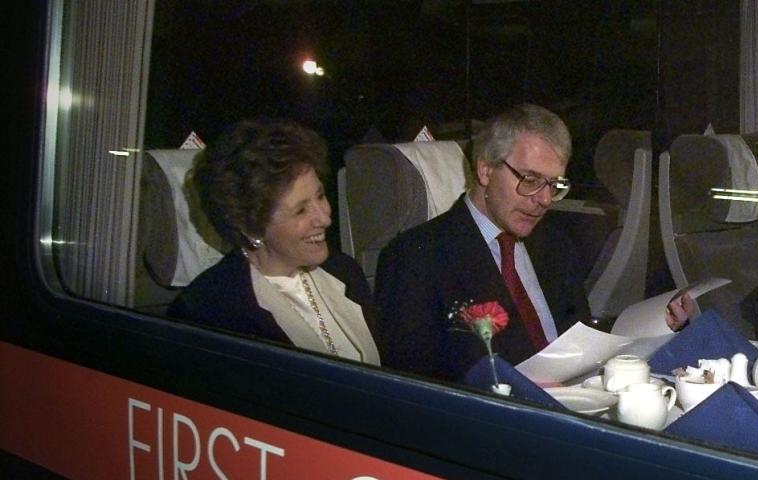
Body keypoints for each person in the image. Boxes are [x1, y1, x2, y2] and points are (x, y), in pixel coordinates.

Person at [374, 103, 689, 381]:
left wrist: (650, 325)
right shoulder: (416, 258)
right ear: (485, 169)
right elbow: (414, 384)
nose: (544, 199)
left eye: (554, 185)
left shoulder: (555, 244)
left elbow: (576, 338)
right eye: (530, 180)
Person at [168, 118, 380, 365]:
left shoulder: (344, 271)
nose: (324, 218)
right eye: (300, 211)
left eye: (320, 196)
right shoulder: (207, 311)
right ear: (250, 227)